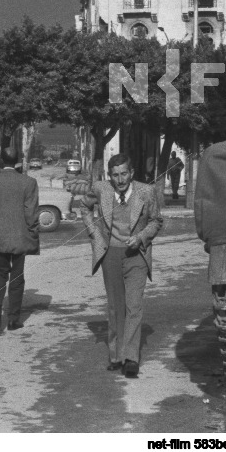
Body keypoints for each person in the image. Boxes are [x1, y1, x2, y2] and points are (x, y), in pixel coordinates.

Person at [71, 153, 163, 377]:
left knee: (134, 306)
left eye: (124, 174)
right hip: (110, 255)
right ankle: (116, 355)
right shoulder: (101, 189)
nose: (120, 180)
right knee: (115, 307)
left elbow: (156, 221)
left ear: (131, 173)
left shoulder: (145, 192)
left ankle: (131, 358)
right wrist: (95, 233)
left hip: (137, 256)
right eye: (115, 175)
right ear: (109, 176)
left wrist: (140, 237)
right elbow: (84, 207)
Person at [0, 147, 40, 331]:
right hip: (20, 238)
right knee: (17, 277)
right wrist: (33, 235)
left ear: (1, 162)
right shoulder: (29, 182)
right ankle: (13, 319)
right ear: (18, 162)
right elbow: (31, 213)